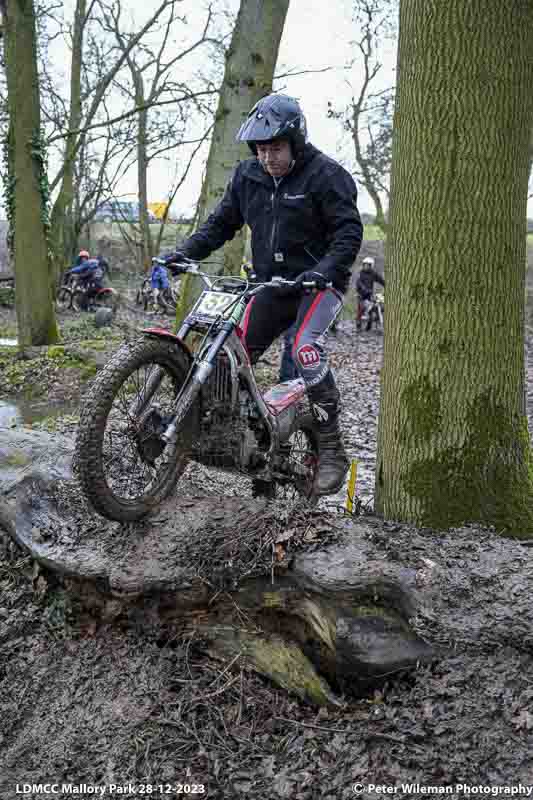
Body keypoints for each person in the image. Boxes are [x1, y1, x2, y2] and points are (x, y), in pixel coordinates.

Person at [160, 93, 363, 495]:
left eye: (276, 148)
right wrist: (183, 253)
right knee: (227, 357)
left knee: (305, 349)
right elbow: (220, 226)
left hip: (317, 286)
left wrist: (322, 272)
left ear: (295, 142)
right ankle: (245, 445)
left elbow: (348, 235)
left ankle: (332, 450)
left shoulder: (327, 176)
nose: (268, 157)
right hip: (270, 285)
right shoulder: (247, 177)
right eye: (261, 149)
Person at [355, 256, 385, 331]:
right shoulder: (360, 273)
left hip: (369, 294)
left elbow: (380, 280)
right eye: (365, 264)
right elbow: (358, 282)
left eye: (368, 265)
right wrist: (364, 289)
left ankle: (369, 326)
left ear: (371, 266)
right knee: (361, 309)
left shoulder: (373, 273)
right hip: (361, 294)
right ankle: (358, 325)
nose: (366, 266)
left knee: (371, 310)